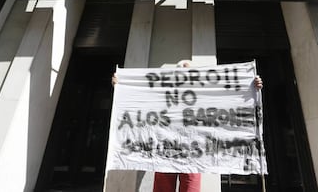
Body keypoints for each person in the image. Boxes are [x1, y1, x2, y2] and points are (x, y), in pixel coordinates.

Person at [111, 60, 263, 192]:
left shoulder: (203, 97)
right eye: (181, 73)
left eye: (188, 73)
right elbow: (141, 103)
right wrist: (122, 86)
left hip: (194, 156)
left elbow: (228, 101)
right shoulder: (163, 96)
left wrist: (250, 87)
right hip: (165, 154)